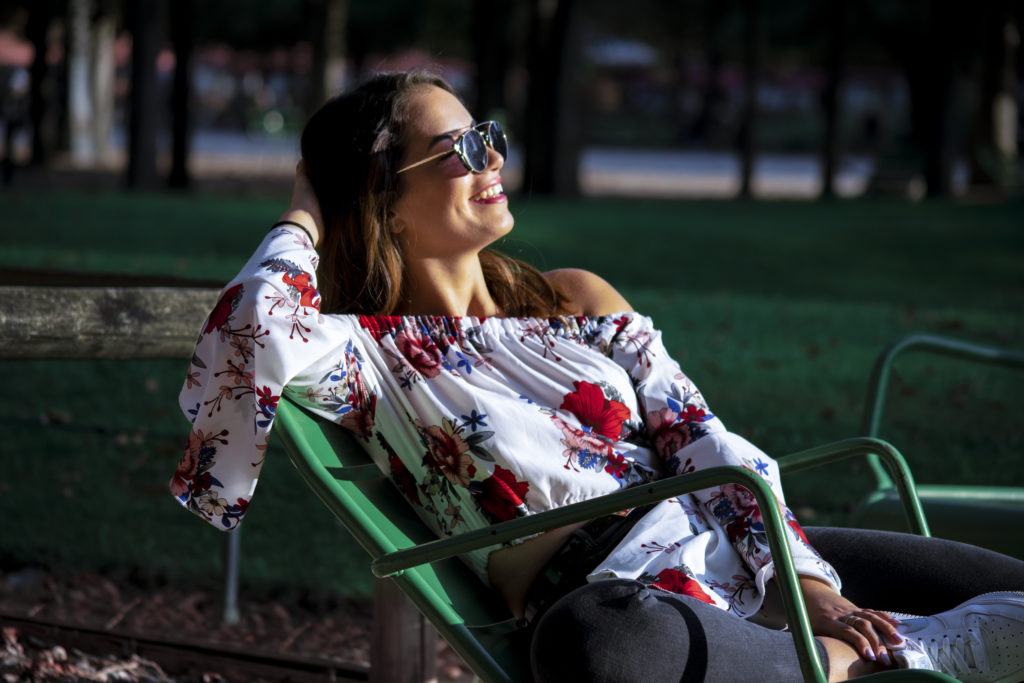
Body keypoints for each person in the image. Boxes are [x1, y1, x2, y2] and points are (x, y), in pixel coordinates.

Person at [170, 70, 1024, 682]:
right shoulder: (366, 357)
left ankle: (858, 646)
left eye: (488, 134)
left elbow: (699, 433)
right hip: (619, 598)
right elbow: (253, 324)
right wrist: (307, 204)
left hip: (742, 546)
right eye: (460, 147)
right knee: (593, 646)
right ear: (384, 197)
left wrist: (806, 586)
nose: (491, 155)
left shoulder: (572, 298)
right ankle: (906, 655)